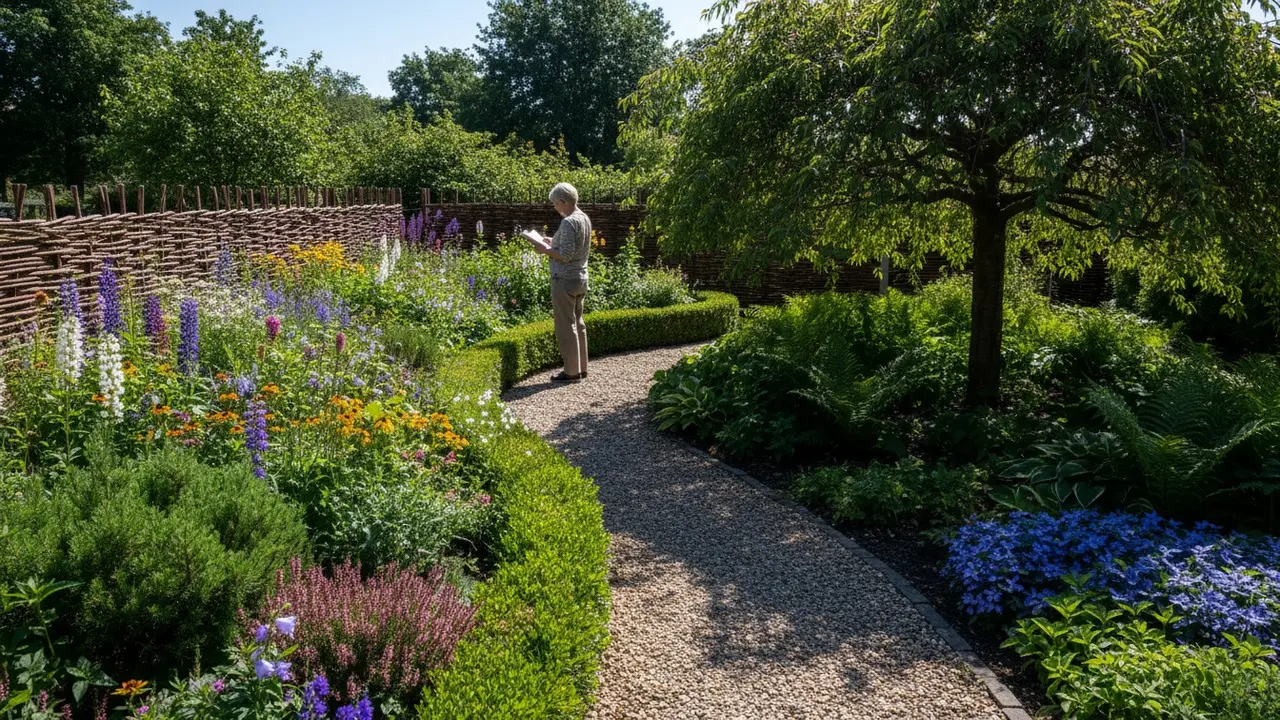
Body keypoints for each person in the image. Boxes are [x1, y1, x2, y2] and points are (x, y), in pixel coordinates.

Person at [526, 182, 591, 383]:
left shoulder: (569, 222)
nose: (555, 207)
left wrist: (543, 249)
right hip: (580, 278)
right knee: (578, 323)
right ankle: (581, 368)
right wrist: (549, 242)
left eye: (556, 203)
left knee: (565, 325)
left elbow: (566, 255)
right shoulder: (584, 218)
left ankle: (571, 372)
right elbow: (571, 247)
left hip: (565, 279)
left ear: (564, 201)